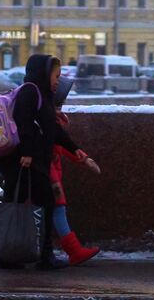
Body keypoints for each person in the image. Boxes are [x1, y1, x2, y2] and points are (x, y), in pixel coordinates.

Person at [0, 53, 81, 270]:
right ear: (44, 73)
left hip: (30, 161)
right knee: (36, 204)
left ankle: (9, 255)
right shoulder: (30, 92)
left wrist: (75, 149)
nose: (58, 80)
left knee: (19, 204)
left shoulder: (41, 94)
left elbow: (53, 129)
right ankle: (39, 256)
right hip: (23, 162)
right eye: (56, 75)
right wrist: (28, 153)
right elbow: (24, 123)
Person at [48, 78, 102, 265]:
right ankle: (74, 251)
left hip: (48, 170)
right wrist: (84, 159)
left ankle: (55, 252)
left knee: (49, 210)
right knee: (58, 208)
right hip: (49, 173)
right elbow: (61, 147)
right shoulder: (51, 121)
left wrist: (84, 159)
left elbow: (63, 147)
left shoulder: (52, 118)